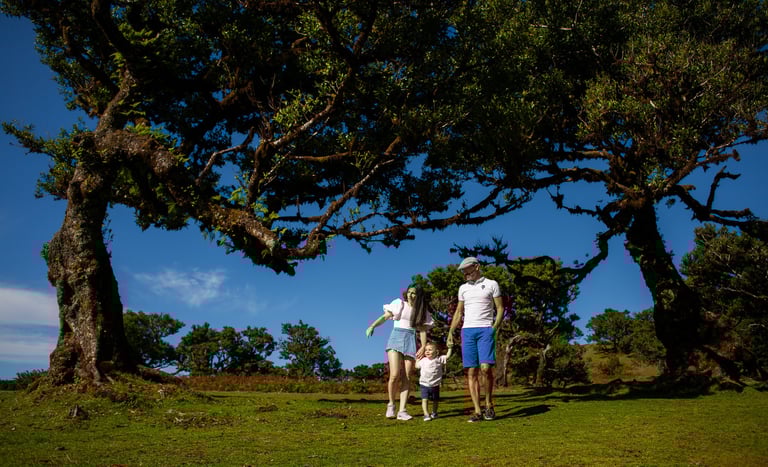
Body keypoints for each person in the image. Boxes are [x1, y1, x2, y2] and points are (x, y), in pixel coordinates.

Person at [446, 257, 504, 422]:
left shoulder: (492, 284)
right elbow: (458, 312)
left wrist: (494, 328)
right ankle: (477, 411)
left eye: (467, 270)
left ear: (477, 267)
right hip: (467, 331)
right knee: (471, 371)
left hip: (486, 329)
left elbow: (500, 308)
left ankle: (489, 404)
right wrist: (451, 331)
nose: (465, 274)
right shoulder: (463, 288)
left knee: (485, 368)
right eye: (463, 271)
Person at [366, 285, 433, 420]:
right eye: (409, 292)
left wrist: (423, 346)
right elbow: (385, 317)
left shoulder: (421, 311)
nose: (410, 295)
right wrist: (372, 326)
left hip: (411, 340)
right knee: (395, 374)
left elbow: (422, 330)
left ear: (418, 295)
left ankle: (402, 410)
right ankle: (391, 404)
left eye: (413, 293)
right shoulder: (399, 304)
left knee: (407, 376)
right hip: (396, 338)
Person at [415, 341, 453, 421]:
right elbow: (417, 366)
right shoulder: (423, 360)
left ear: (436, 352)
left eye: (430, 350)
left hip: (435, 385)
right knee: (424, 399)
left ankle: (434, 413)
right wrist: (417, 359)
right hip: (424, 384)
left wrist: (450, 348)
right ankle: (426, 414)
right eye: (426, 350)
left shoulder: (439, 359)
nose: (427, 351)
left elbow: (448, 356)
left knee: (435, 400)